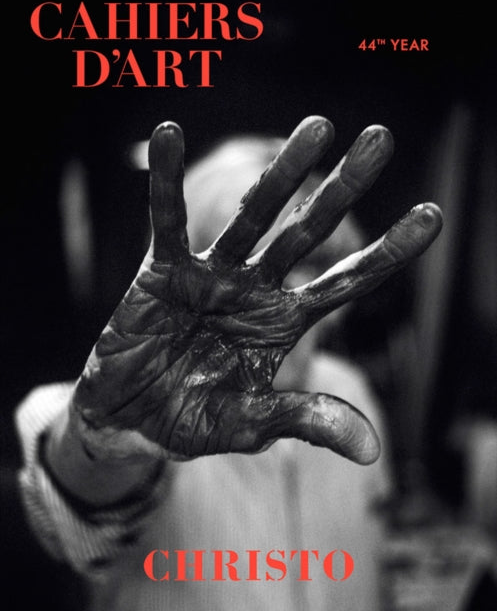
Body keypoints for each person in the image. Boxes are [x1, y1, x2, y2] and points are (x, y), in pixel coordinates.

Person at [15, 115, 443, 610]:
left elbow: (372, 555)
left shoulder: (348, 390)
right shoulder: (134, 404)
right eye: (259, 267)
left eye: (317, 264)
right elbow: (77, 510)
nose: (295, 300)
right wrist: (103, 444)